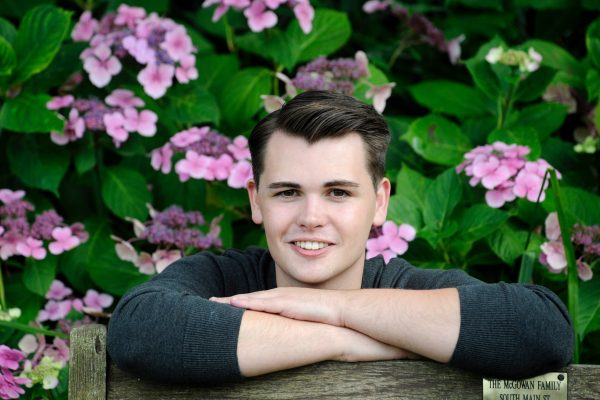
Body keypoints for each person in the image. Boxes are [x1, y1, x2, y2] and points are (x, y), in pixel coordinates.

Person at [107, 90, 573, 384]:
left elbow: (542, 330)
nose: (311, 217)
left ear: (380, 201)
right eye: (288, 192)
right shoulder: (220, 278)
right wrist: (345, 341)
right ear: (255, 200)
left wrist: (334, 306)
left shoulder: (408, 288)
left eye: (338, 193)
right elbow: (140, 331)